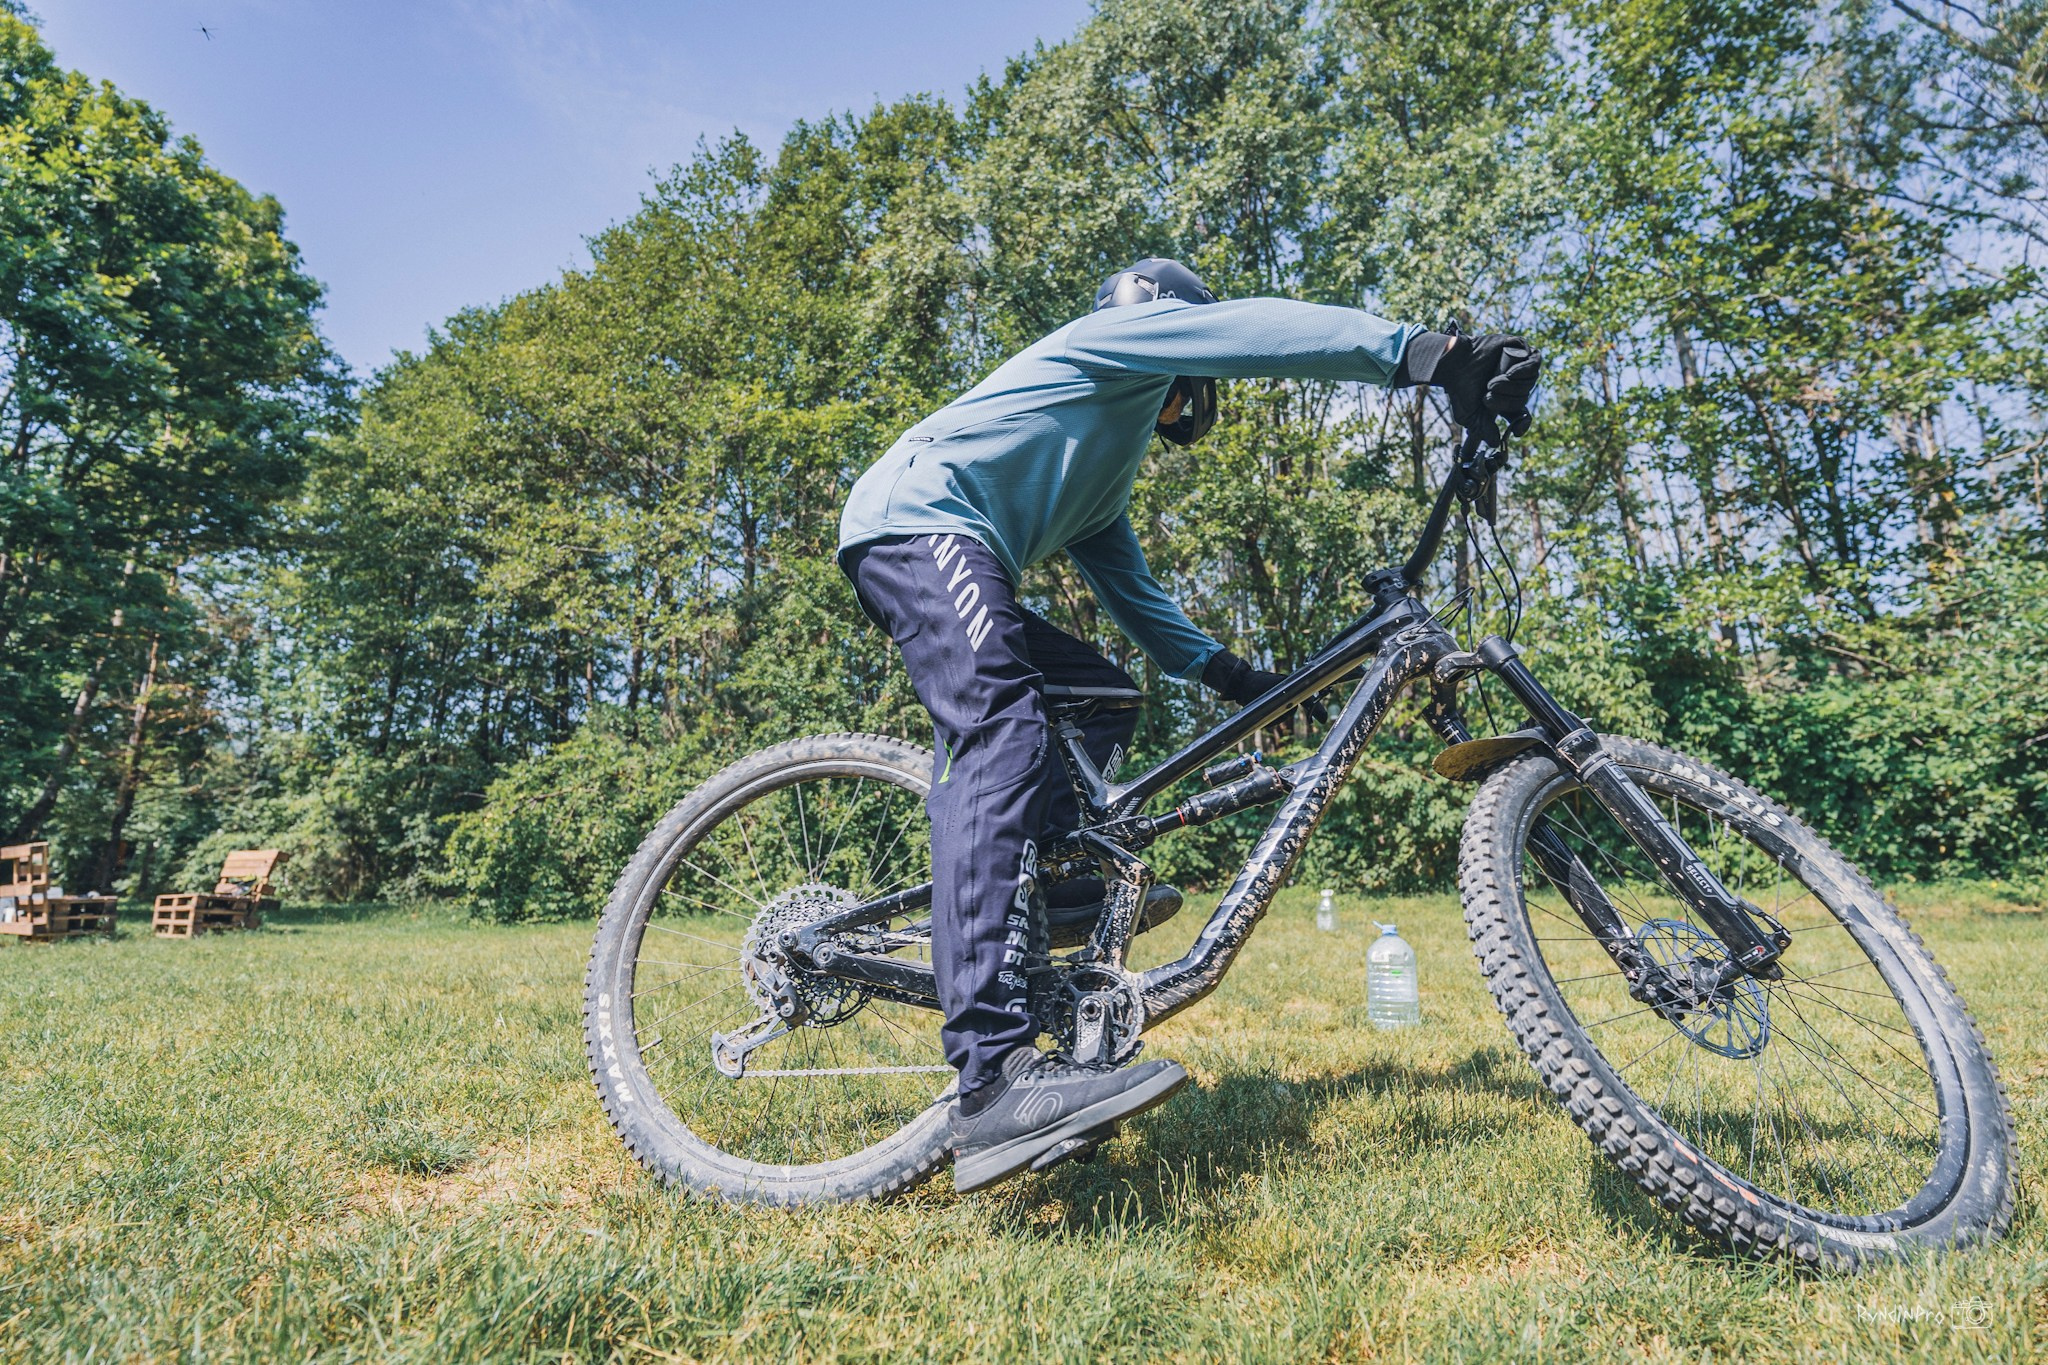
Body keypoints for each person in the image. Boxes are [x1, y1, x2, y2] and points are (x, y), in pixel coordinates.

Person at [837, 258, 1540, 1191]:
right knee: (1001, 730)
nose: (1191, 397)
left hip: (953, 539)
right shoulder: (1118, 339)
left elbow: (1132, 591)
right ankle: (991, 1081)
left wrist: (1232, 674)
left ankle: (1058, 884)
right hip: (919, 522)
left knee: (1100, 697)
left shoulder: (1100, 462)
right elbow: (1257, 331)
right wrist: (1429, 355)